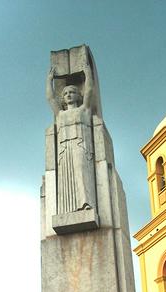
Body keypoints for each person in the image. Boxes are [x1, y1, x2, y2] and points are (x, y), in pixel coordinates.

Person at [46, 63, 97, 215]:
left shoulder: (83, 110)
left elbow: (88, 90)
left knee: (81, 174)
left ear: (78, 96)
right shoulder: (60, 115)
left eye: (72, 92)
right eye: (66, 93)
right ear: (62, 98)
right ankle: (67, 209)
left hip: (80, 145)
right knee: (66, 180)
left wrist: (88, 74)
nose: (68, 95)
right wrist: (49, 80)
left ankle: (86, 203)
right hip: (64, 150)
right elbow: (50, 98)